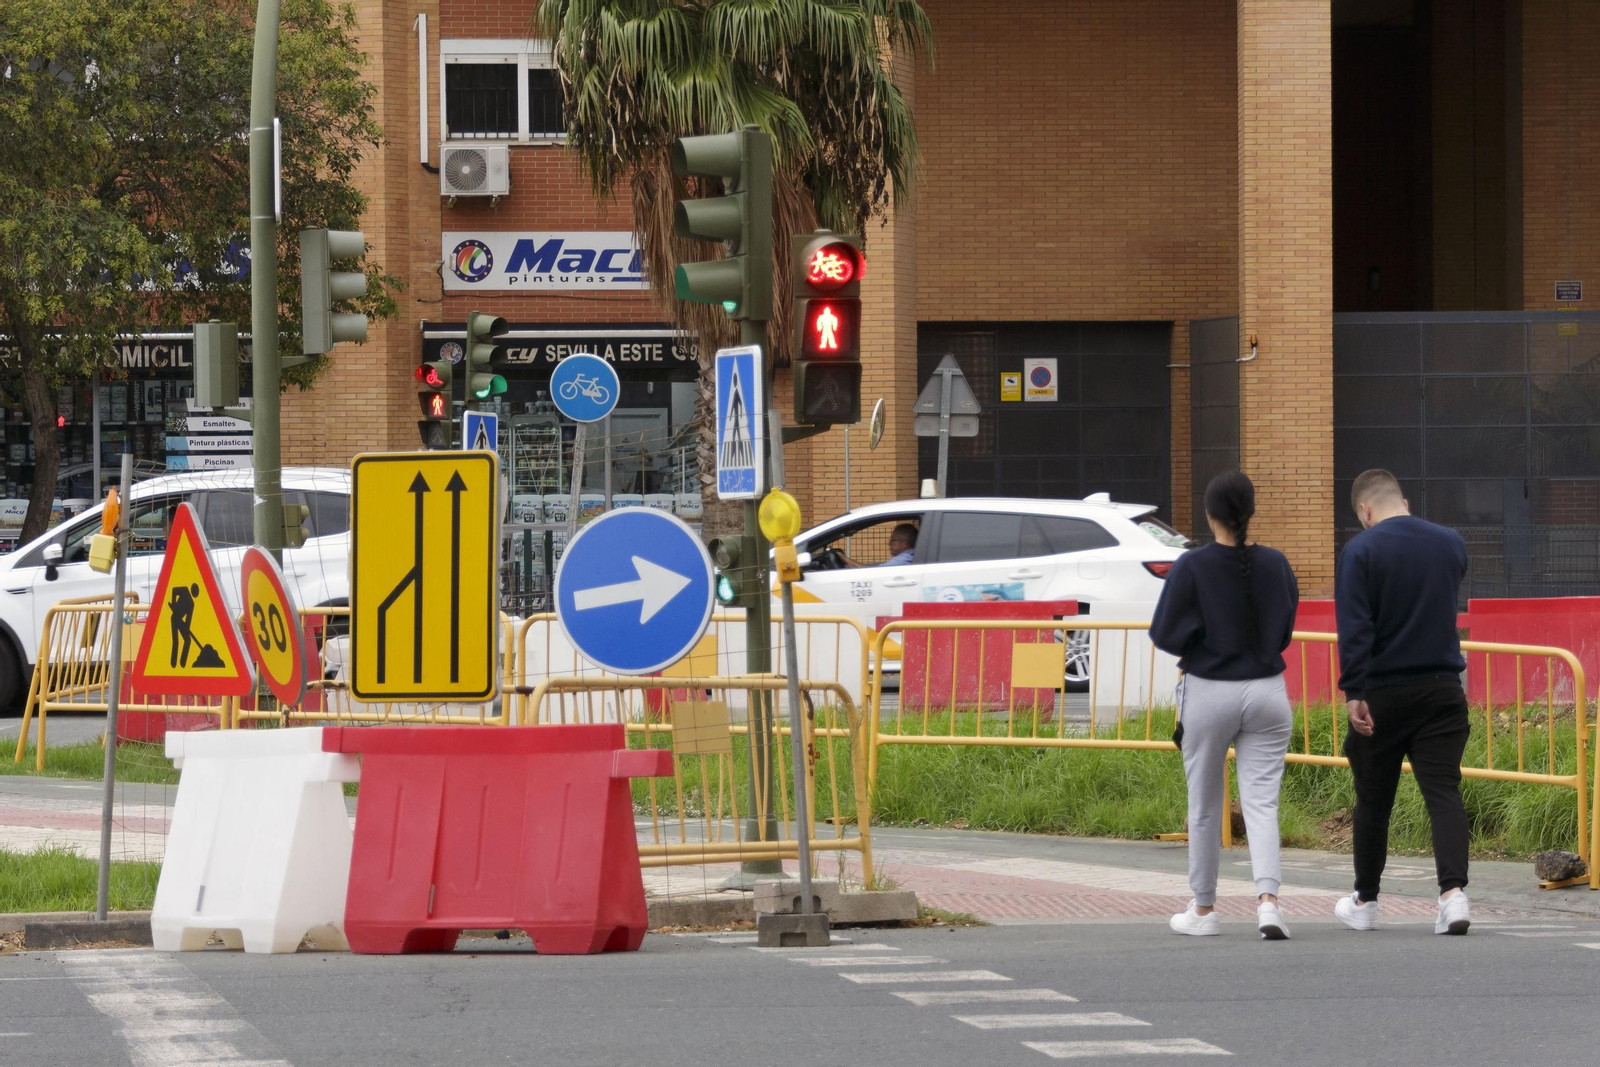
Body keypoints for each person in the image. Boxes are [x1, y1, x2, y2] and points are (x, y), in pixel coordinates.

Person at [1150, 471, 1299, 940]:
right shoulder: (1276, 563)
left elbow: (1164, 633)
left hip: (1210, 689)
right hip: (1268, 690)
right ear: (1250, 511)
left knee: (1204, 803)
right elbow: (1285, 629)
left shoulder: (1192, 565)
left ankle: (1204, 908)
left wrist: (1200, 642)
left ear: (1209, 513)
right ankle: (1269, 904)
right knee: (1262, 801)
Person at [1334, 469, 1472, 936]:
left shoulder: (1360, 551)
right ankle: (1453, 896)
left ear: (1365, 511)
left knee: (1373, 800)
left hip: (1382, 694)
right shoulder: (1450, 543)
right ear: (1404, 502)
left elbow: (1356, 628)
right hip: (1442, 689)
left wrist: (1354, 692)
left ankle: (1365, 901)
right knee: (1443, 793)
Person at [842, 523, 917, 568]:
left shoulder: (904, 559)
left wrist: (845, 559)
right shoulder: (911, 555)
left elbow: (870, 572)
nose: (889, 544)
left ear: (904, 544)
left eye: (893, 540)